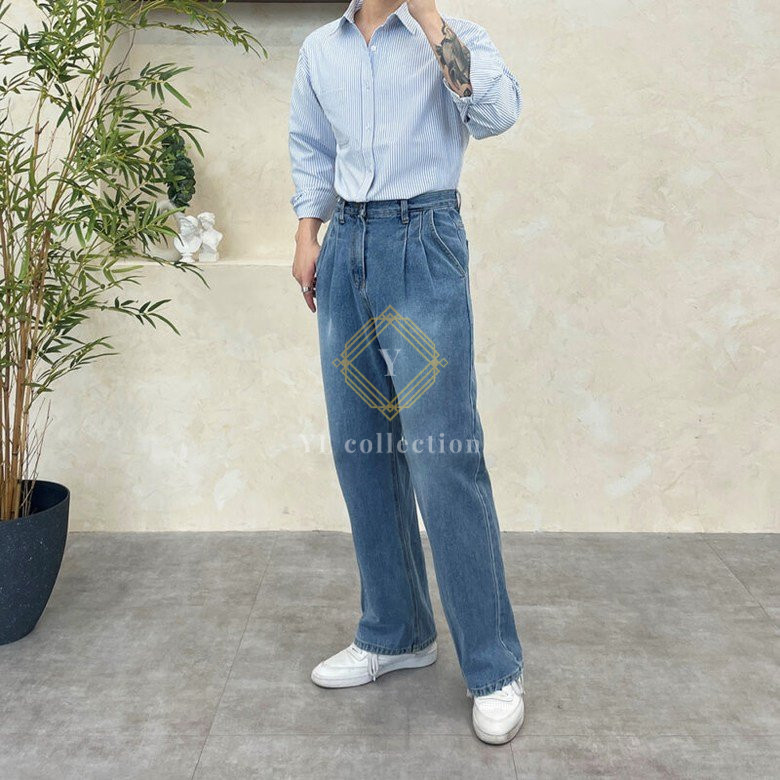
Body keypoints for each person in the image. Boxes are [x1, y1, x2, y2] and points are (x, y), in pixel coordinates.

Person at [289, 0, 524, 745]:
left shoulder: (451, 37)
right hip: (345, 246)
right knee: (359, 448)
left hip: (424, 240)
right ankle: (395, 632)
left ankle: (493, 666)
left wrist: (427, 18)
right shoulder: (320, 49)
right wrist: (307, 232)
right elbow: (311, 146)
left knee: (444, 456)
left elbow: (497, 114)